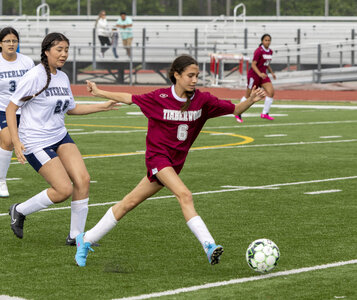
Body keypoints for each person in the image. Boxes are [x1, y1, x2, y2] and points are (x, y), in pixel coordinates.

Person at [74, 54, 266, 267]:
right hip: (157, 158)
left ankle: (86, 239)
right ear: (176, 75)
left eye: (197, 76)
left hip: (175, 164)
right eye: (190, 76)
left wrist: (251, 100)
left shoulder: (203, 101)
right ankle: (209, 245)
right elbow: (129, 97)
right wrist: (99, 91)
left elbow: (235, 110)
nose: (194, 80)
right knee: (185, 195)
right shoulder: (160, 97)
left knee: (128, 202)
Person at [6, 32, 118, 244]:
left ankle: (76, 237)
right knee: (63, 190)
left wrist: (103, 106)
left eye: (66, 50)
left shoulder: (63, 77)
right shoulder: (34, 76)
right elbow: (12, 109)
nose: (64, 54)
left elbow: (71, 109)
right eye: (59, 49)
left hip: (59, 135)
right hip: (35, 141)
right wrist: (17, 141)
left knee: (83, 180)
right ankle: (19, 210)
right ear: (46, 51)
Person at [0, 27, 35, 197]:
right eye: (7, 41)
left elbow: (34, 85)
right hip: (3, 109)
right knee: (8, 140)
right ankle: (1, 180)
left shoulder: (27, 62)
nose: (11, 44)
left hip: (25, 110)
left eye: (14, 41)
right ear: (0, 43)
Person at [235, 34, 276, 123]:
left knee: (271, 92)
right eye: (266, 40)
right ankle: (238, 112)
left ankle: (265, 113)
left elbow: (266, 64)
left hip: (263, 75)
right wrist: (259, 74)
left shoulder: (270, 51)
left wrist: (272, 73)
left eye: (269, 40)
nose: (268, 42)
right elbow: (253, 64)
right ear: (262, 41)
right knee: (248, 95)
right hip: (254, 75)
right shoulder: (258, 51)